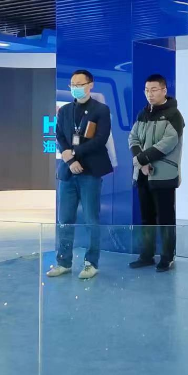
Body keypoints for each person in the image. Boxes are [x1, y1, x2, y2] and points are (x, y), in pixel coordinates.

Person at [47, 70, 113, 280]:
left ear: (90, 85)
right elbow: (60, 136)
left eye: (79, 84)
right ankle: (63, 262)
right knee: (64, 219)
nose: (75, 88)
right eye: (72, 84)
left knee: (91, 219)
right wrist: (70, 160)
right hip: (68, 172)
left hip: (90, 172)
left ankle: (91, 263)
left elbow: (100, 140)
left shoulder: (101, 110)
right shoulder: (65, 110)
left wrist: (74, 153)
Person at [128, 74, 184, 273]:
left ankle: (167, 256)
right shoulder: (143, 114)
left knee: (166, 218)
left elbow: (168, 142)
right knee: (146, 218)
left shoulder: (174, 115)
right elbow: (133, 138)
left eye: (154, 90)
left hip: (164, 175)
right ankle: (147, 255)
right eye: (146, 90)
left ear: (164, 91)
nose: (149, 94)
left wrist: (142, 160)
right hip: (143, 174)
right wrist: (141, 162)